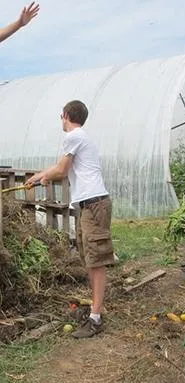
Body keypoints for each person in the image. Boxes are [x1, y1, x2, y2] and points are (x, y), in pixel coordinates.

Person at [26, 100, 115, 339]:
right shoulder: (80, 138)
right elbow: (61, 168)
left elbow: (62, 170)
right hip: (91, 205)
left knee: (96, 261)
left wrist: (41, 177)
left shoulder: (74, 136)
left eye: (61, 117)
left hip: (94, 205)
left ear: (65, 115)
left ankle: (96, 318)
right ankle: (96, 309)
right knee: (90, 259)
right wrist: (41, 176)